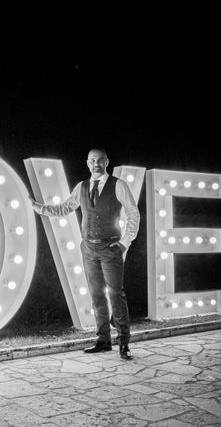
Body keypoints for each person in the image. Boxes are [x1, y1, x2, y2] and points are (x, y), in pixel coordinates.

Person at [29, 148, 140, 360]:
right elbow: (64, 208)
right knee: (97, 295)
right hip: (88, 248)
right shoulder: (81, 187)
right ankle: (103, 341)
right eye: (92, 161)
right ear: (87, 163)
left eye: (100, 160)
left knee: (116, 295)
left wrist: (125, 242)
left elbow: (133, 213)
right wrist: (38, 207)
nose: (96, 164)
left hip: (110, 248)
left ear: (106, 161)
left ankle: (124, 343)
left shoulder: (118, 185)